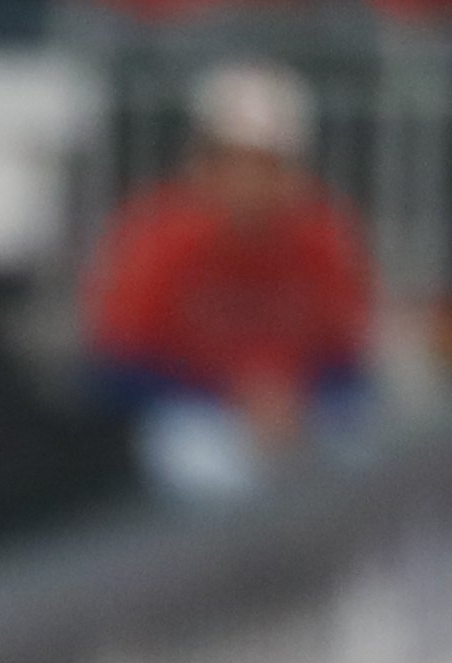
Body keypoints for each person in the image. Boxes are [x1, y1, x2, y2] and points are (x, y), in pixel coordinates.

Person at [85, 61, 374, 503]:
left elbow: (350, 364)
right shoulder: (159, 235)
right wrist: (232, 398)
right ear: (202, 164)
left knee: (368, 451)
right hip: (199, 416)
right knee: (191, 457)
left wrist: (297, 399)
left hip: (301, 419)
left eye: (267, 165)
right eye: (233, 163)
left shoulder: (323, 236)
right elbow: (116, 369)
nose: (250, 181)